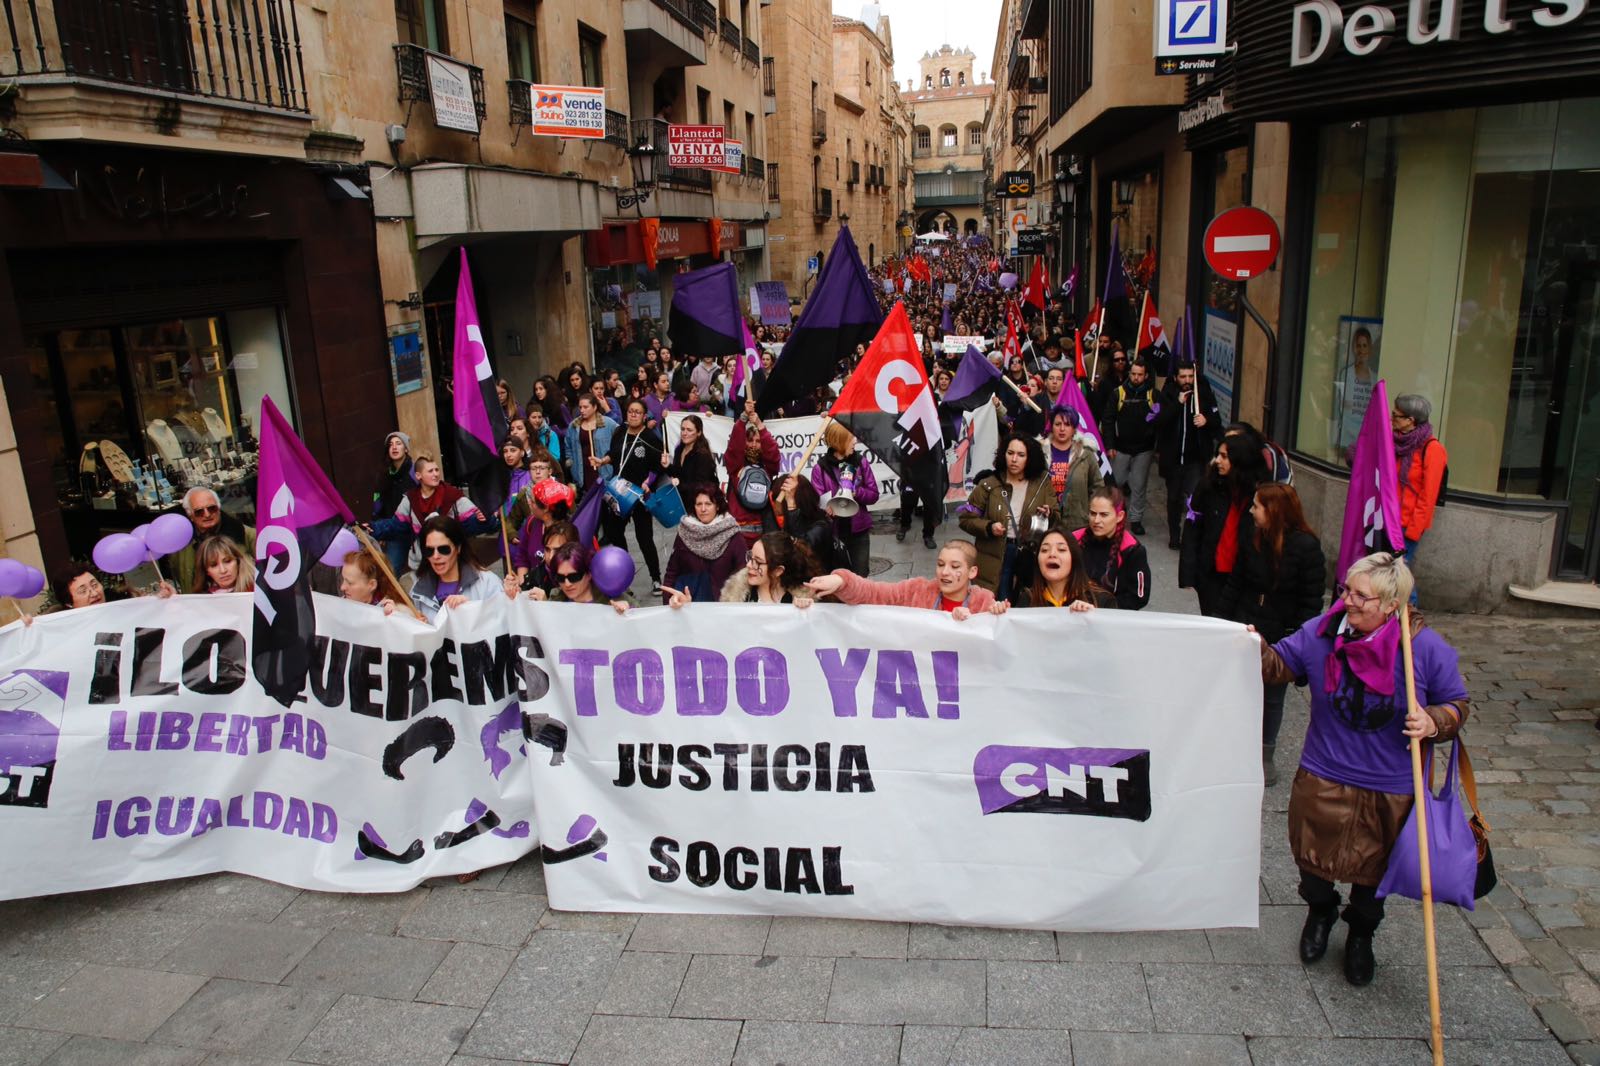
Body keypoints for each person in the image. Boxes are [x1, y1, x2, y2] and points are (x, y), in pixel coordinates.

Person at [1254, 552, 1468, 986]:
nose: (1346, 601)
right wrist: (1251, 645)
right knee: (1311, 863)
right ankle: (1321, 911)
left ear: (1391, 605)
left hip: (1391, 787)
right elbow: (1276, 666)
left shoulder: (1425, 649)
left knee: (1373, 876)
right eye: (1345, 590)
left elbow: (1457, 704)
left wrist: (1434, 721)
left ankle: (1361, 934)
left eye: (1360, 595)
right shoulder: (1321, 633)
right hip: (1323, 773)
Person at [1223, 482, 1326, 786]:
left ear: (1274, 510)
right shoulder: (1253, 537)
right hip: (1246, 624)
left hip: (1281, 633)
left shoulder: (1306, 547)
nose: (1251, 511)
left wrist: (1300, 641)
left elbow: (1311, 602)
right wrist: (1221, 622)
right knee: (1237, 689)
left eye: (1256, 506)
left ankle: (1264, 753)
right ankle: (1233, 747)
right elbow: (1236, 583)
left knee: (1272, 696)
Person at [960, 433, 1058, 602]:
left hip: (1028, 553)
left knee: (1024, 601)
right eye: (1010, 453)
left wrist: (1050, 514)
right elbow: (965, 518)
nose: (1014, 459)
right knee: (997, 601)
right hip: (994, 553)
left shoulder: (1042, 483)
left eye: (1021, 455)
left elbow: (1057, 516)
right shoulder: (989, 483)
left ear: (1030, 458)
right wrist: (989, 527)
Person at [1179, 436, 1269, 618]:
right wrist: (1188, 573)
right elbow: (1192, 530)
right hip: (1211, 575)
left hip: (1243, 578)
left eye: (1224, 456)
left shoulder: (1258, 493)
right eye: (1218, 455)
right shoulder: (1208, 486)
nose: (1217, 460)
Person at [806, 540, 1007, 619]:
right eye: (940, 564)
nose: (944, 572)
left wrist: (993, 617)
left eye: (955, 567)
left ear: (972, 572)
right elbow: (875, 593)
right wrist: (842, 581)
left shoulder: (983, 603)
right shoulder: (916, 591)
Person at [1155, 361, 1221, 550]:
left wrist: (1206, 420)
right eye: (1183, 377)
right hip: (1173, 460)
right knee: (1173, 499)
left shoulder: (1203, 394)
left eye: (1190, 376)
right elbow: (1158, 421)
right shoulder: (1167, 394)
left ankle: (1192, 536)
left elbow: (1217, 421)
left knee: (1194, 499)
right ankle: (1174, 536)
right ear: (1176, 378)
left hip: (1195, 460)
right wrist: (1178, 404)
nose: (1187, 380)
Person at [602, 399, 665, 590]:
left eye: (638, 412)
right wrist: (603, 460)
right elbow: (613, 454)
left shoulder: (650, 438)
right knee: (615, 534)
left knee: (644, 537)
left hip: (639, 495)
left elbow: (657, 467)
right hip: (619, 491)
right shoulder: (620, 432)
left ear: (645, 416)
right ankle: (624, 572)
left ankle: (656, 578)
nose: (633, 415)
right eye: (630, 411)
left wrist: (648, 483)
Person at [410, 514, 517, 622]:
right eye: (429, 551)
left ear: (458, 548)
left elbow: (505, 622)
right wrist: (418, 626)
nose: (436, 556)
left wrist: (471, 609)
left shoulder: (487, 582)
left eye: (443, 549)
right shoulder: (419, 588)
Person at [812, 420, 881, 575]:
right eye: (851, 438)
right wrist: (826, 508)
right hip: (833, 533)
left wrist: (856, 493)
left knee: (860, 575)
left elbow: (874, 495)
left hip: (858, 531)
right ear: (839, 441)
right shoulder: (820, 469)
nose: (855, 441)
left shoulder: (860, 462)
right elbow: (817, 501)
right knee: (836, 576)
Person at [1392, 394, 1446, 585]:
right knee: (1392, 573)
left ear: (1410, 420)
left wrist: (1413, 531)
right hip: (1390, 518)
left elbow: (1428, 496)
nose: (1391, 418)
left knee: (1397, 574)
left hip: (1407, 524)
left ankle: (1410, 604)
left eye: (1396, 415)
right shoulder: (1397, 442)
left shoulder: (1432, 449)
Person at [1101, 355, 1158, 536]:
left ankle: (1135, 519)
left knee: (1139, 485)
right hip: (1121, 447)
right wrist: (1110, 444)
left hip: (1144, 448)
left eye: (1139, 374)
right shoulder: (1118, 393)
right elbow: (1108, 420)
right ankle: (1116, 513)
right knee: (1116, 482)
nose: (1136, 378)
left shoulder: (1153, 395)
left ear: (1146, 376)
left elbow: (1161, 420)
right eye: (1133, 374)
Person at [661, 485, 746, 603]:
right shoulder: (684, 532)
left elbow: (743, 573)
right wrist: (668, 601)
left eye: (708, 504)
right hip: (688, 603)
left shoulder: (733, 534)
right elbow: (672, 571)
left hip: (722, 606)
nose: (703, 509)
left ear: (717, 506)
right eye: (699, 504)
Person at [379, 454, 483, 548]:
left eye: (436, 470)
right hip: (422, 557)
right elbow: (395, 525)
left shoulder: (452, 495)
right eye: (430, 471)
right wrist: (374, 528)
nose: (436, 474)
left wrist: (483, 519)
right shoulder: (410, 499)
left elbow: (473, 521)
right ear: (418, 476)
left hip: (450, 555)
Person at [1073, 487, 1150, 611]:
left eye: (1104, 515)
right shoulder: (1074, 539)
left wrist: (1100, 609)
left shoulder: (1132, 550)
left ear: (1120, 516)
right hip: (1073, 611)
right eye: (1093, 513)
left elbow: (1138, 597)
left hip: (1112, 617)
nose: (1096, 520)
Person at [170, 486, 256, 591]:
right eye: (199, 511)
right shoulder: (180, 543)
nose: (207, 514)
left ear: (219, 509)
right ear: (190, 515)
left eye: (212, 508)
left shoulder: (244, 533)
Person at [1043, 405, 1104, 534]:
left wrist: (1089, 513)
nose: (1062, 429)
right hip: (1046, 523)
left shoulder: (1086, 454)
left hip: (1078, 524)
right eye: (1057, 424)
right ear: (1051, 426)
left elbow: (1098, 487)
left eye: (1067, 424)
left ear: (1074, 429)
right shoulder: (1040, 452)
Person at [725, 403, 781, 544]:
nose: (754, 445)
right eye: (749, 440)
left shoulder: (768, 467)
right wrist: (743, 418)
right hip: (738, 531)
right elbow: (734, 447)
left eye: (758, 441)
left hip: (763, 530)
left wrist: (760, 425)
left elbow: (773, 454)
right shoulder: (736, 465)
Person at [526, 542, 632, 612]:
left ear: (589, 574)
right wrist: (545, 606)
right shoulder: (556, 599)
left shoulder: (613, 600)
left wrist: (628, 613)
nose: (567, 584)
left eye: (574, 577)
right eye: (560, 578)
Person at [1024, 527, 1112, 610]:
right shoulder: (1027, 599)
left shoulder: (1102, 600)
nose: (1052, 554)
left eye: (1061, 549)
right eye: (1044, 550)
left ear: (1074, 558)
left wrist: (1093, 617)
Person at [717, 532, 818, 604]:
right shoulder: (734, 598)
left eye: (758, 562)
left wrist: (803, 612)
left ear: (778, 571)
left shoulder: (797, 601)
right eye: (750, 557)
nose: (749, 565)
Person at [370, 431, 417, 575]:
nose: (394, 447)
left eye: (398, 443)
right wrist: (380, 528)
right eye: (390, 445)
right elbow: (377, 502)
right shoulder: (383, 474)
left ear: (406, 449)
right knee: (391, 571)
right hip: (394, 529)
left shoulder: (415, 471)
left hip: (416, 528)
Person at [772, 473, 838, 572]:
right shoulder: (791, 520)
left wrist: (791, 504)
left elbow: (801, 549)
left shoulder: (820, 525)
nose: (775, 505)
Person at [1335, 327, 1377, 460]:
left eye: (1365, 345)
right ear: (1354, 348)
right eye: (1358, 345)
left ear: (1370, 348)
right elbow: (1341, 406)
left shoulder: (1375, 379)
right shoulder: (1346, 374)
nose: (1361, 350)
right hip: (1346, 440)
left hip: (1365, 439)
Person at [563, 393, 617, 493]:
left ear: (595, 407)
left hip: (603, 470)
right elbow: (568, 446)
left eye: (585, 407)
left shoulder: (608, 423)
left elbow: (620, 440)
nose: (582, 410)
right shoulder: (574, 425)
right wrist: (571, 463)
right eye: (580, 407)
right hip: (581, 471)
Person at [662, 413, 718, 490]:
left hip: (698, 496)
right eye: (682, 429)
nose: (684, 433)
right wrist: (668, 466)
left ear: (699, 432)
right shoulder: (679, 449)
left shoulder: (703, 455)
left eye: (689, 430)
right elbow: (678, 474)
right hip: (681, 496)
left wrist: (679, 484)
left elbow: (701, 485)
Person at [338, 551, 404, 615]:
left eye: (350, 583)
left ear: (372, 585)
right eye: (343, 579)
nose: (342, 587)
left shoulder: (389, 611)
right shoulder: (342, 603)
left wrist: (396, 617)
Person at [190, 535, 255, 594]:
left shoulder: (256, 590)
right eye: (214, 565)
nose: (223, 570)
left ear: (238, 561)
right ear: (206, 571)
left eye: (227, 561)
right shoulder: (200, 598)